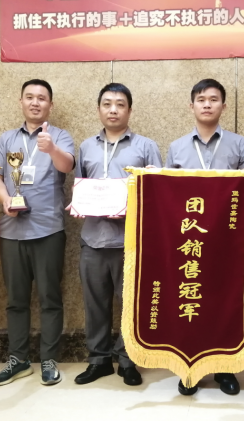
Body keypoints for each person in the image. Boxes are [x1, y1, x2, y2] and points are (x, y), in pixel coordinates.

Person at [70, 83, 163, 387]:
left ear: (129, 110)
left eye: (120, 104)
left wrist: (134, 201)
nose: (113, 110)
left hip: (130, 242)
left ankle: (128, 360)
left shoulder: (146, 146)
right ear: (99, 109)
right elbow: (81, 184)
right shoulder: (86, 146)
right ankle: (98, 360)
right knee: (95, 304)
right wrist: (79, 203)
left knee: (131, 304)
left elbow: (158, 193)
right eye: (107, 104)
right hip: (93, 239)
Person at [166, 78, 244, 396]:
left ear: (223, 106)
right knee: (189, 302)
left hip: (227, 241)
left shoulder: (239, 144)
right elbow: (167, 195)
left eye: (213, 99)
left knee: (223, 302)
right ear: (191, 106)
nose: (207, 104)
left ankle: (225, 369)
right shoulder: (176, 147)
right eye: (201, 99)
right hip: (189, 243)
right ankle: (189, 369)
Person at [0, 79, 75, 387]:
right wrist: (4, 200)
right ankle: (18, 359)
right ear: (21, 101)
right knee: (16, 300)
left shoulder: (59, 136)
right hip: (11, 231)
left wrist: (51, 149)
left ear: (50, 104)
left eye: (42, 98)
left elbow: (67, 166)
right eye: (30, 97)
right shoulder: (7, 139)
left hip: (48, 230)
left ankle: (49, 360)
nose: (35, 102)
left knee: (50, 298)